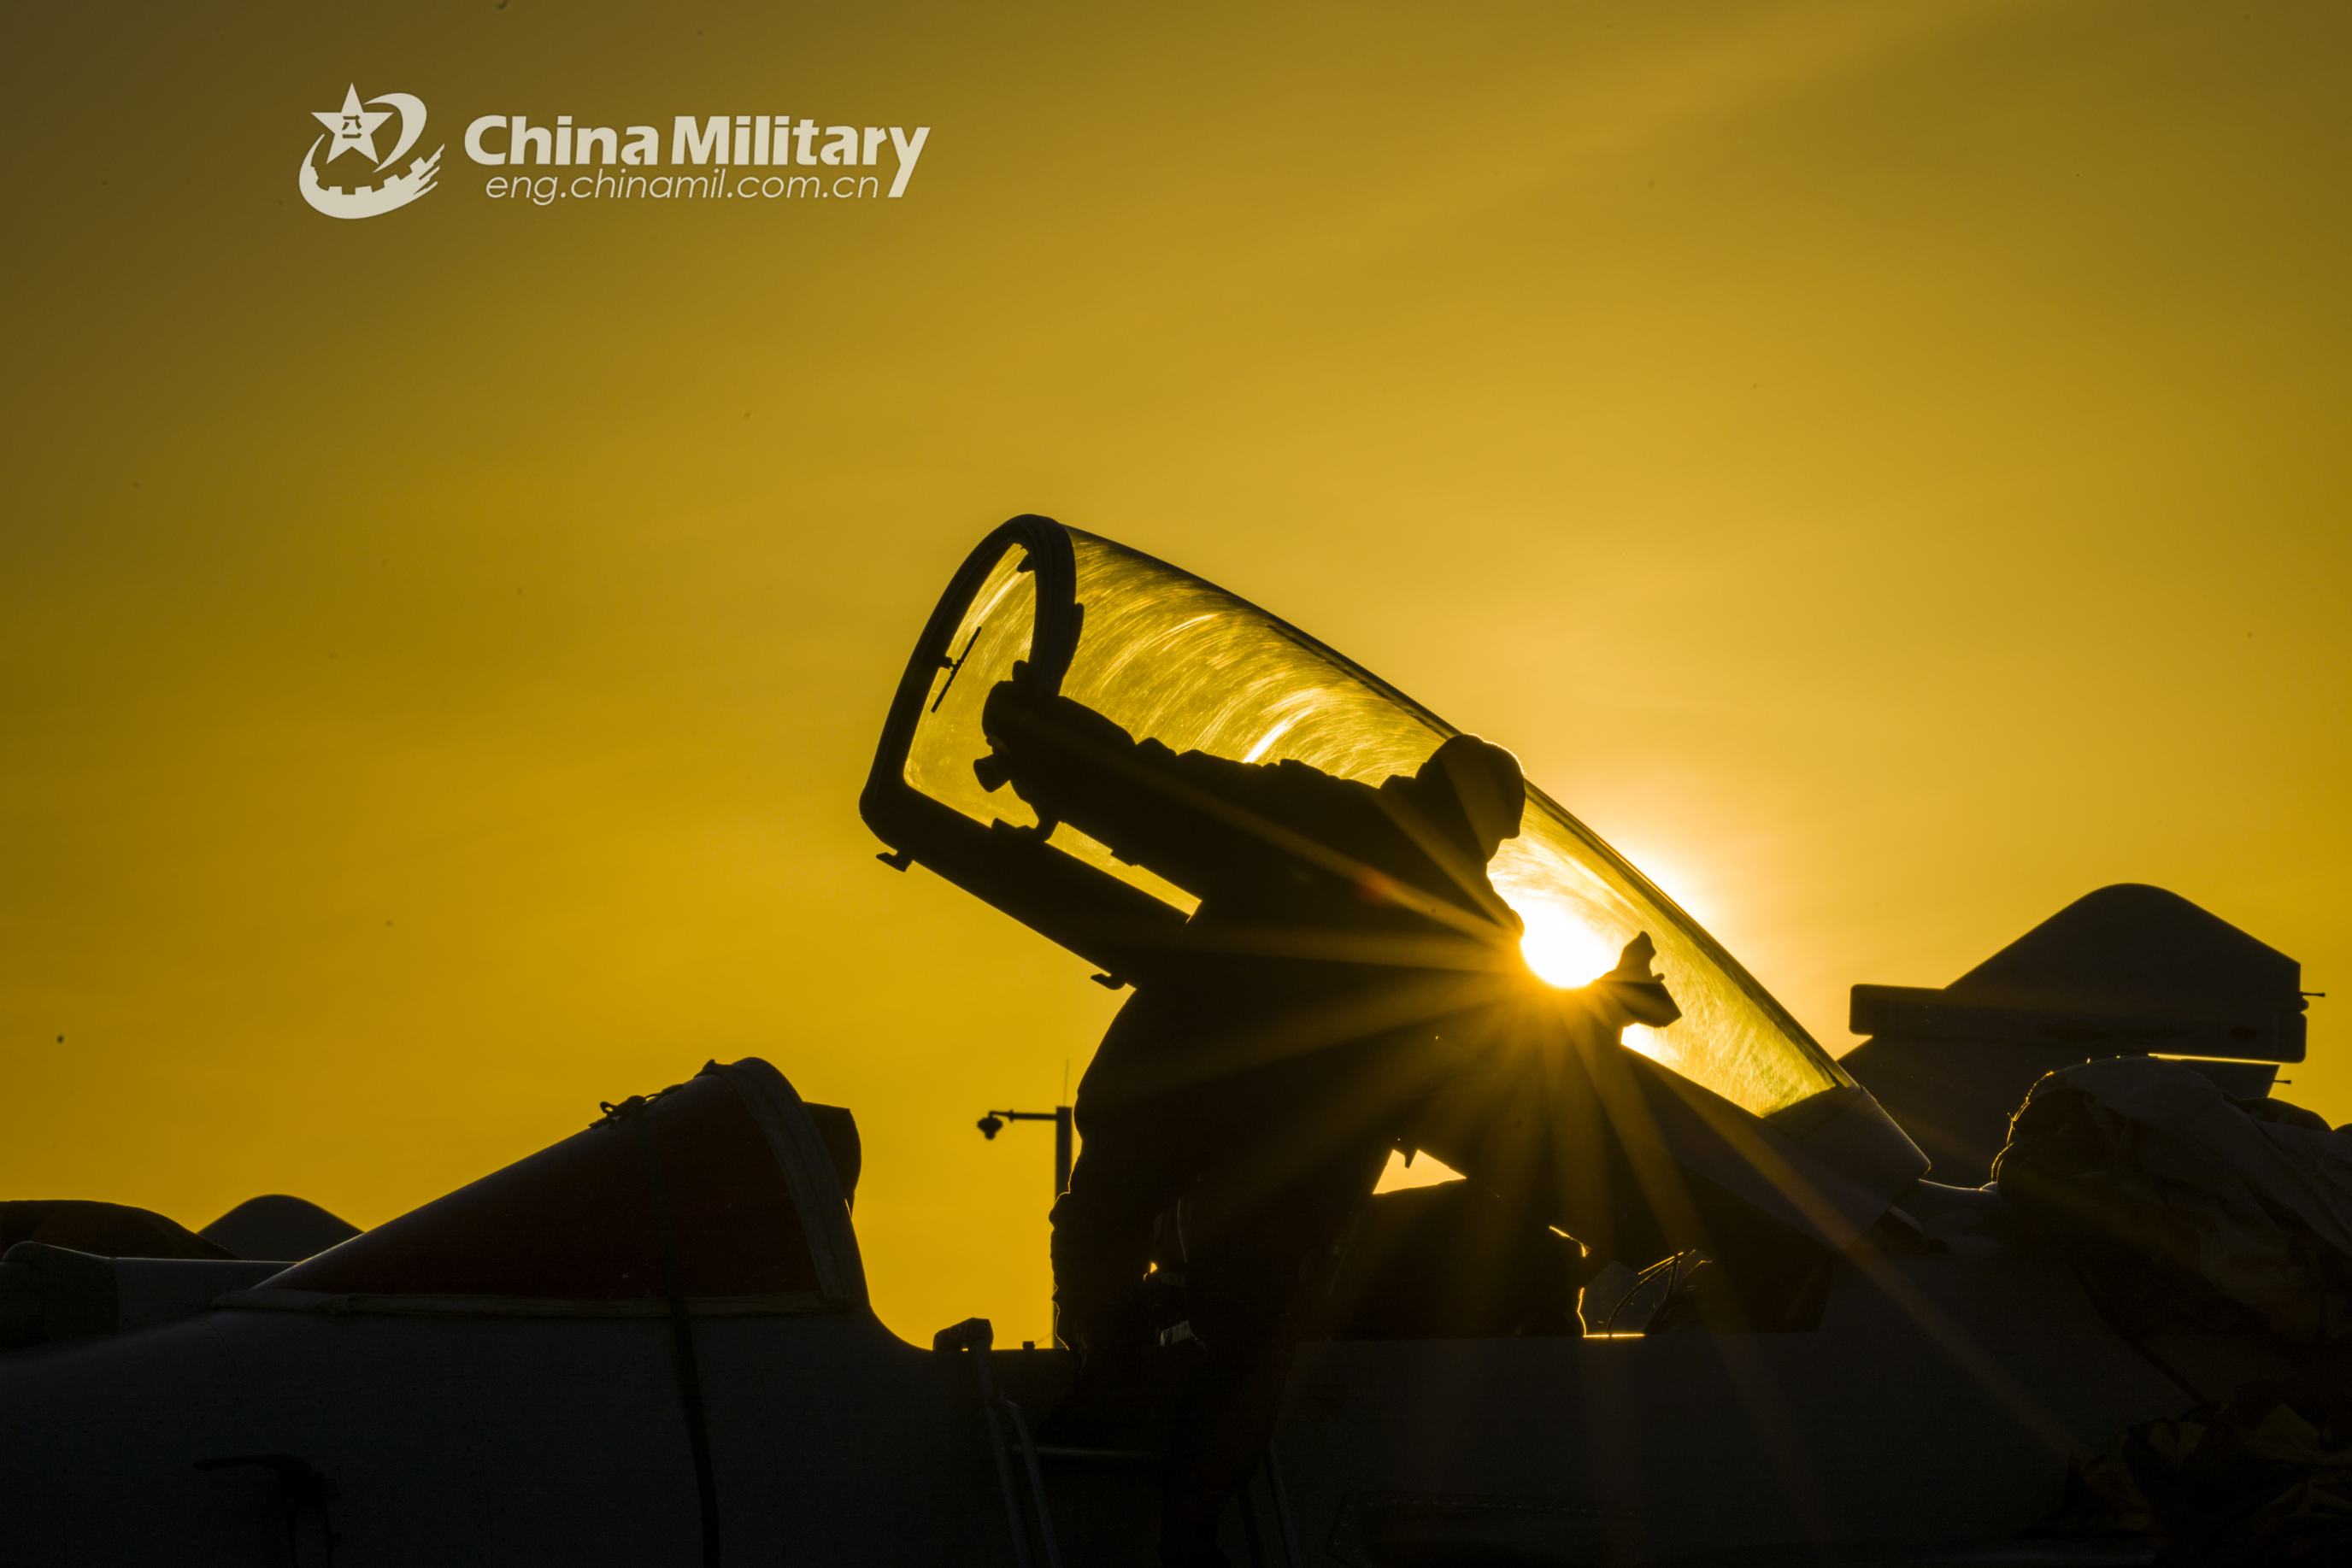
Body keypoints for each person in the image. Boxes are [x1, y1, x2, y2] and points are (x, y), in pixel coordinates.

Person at [977, 672, 1541, 1564]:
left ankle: (1109, 1370)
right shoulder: (1478, 927)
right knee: (1252, 1333)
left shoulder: (1311, 810)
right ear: (1485, 830)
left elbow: (1155, 792)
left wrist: (1043, 736)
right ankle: (1187, 1520)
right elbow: (1515, 1052)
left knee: (1107, 1227)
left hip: (1177, 1094)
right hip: (1285, 1163)